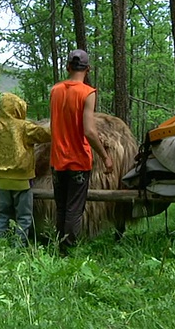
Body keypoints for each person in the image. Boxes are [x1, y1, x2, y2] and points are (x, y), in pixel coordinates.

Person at [49, 49, 114, 254]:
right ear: (88, 69)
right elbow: (89, 131)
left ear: (68, 67)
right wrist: (105, 157)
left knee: (61, 208)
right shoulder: (88, 93)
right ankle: (67, 253)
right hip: (78, 161)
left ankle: (59, 248)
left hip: (57, 159)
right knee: (74, 211)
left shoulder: (55, 90)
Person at [0, 93, 52, 247]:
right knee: (24, 217)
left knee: (2, 215)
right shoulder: (24, 127)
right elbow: (47, 135)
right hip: (21, 181)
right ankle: (18, 246)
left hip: (1, 181)